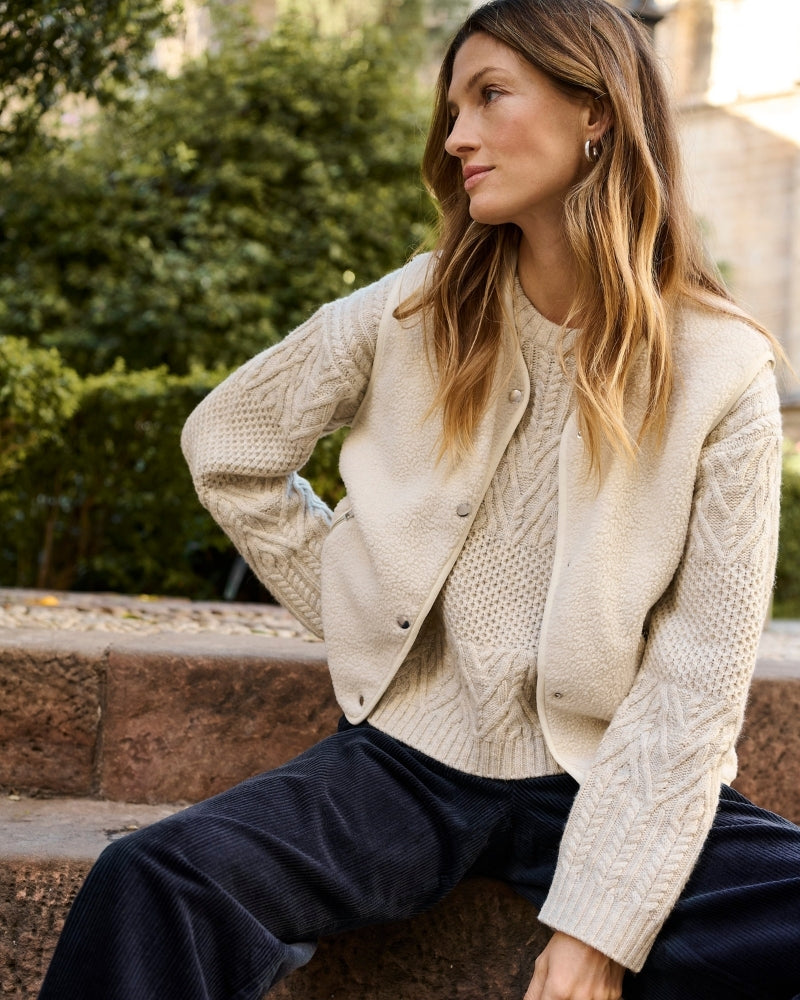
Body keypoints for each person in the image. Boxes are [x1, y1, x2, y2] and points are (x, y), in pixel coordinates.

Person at [39, 1, 800, 998]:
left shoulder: (721, 366)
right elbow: (227, 443)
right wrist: (360, 605)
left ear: (596, 112)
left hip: (612, 771)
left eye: (489, 96)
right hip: (405, 761)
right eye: (452, 109)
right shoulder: (414, 304)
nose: (455, 137)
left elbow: (695, 681)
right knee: (156, 880)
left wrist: (598, 927)